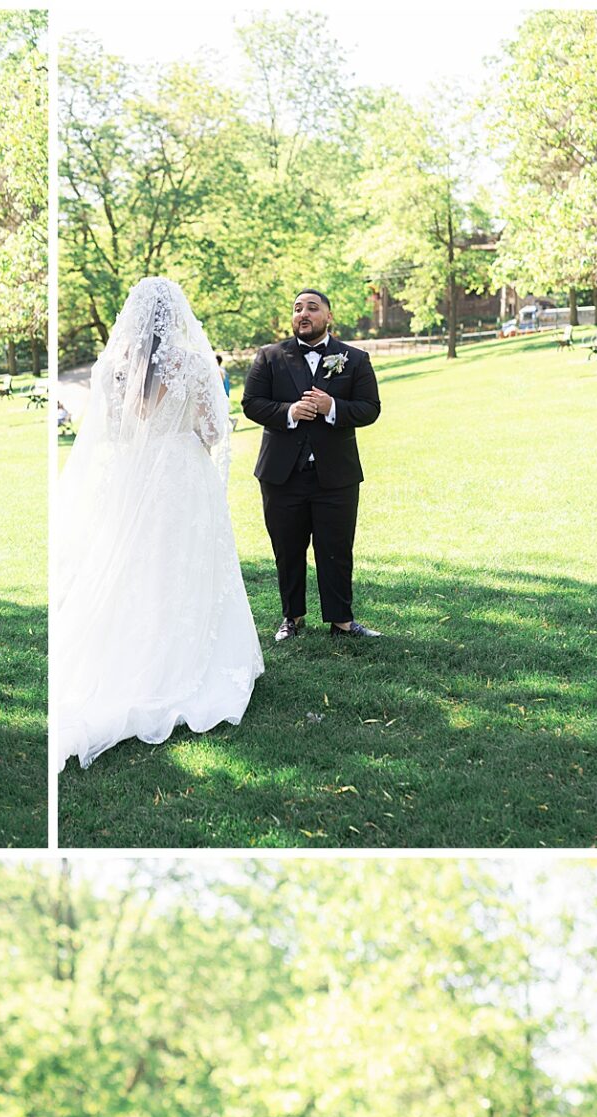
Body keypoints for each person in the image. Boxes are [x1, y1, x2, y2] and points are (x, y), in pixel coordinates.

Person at [57, 277, 264, 770]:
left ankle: (131, 654)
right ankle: (187, 661)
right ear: (177, 317)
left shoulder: (114, 369)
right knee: (184, 564)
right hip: (181, 475)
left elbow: (108, 433)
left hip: (136, 475)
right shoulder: (193, 363)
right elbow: (214, 431)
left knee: (136, 565)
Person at [242, 288, 381, 643]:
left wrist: (332, 406)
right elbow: (252, 404)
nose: (303, 314)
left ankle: (342, 621)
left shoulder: (354, 358)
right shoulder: (270, 357)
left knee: (336, 548)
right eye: (297, 308)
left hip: (336, 474)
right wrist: (288, 412)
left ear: (328, 317)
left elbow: (369, 408)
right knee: (287, 549)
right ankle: (292, 617)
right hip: (281, 474)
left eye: (312, 308)